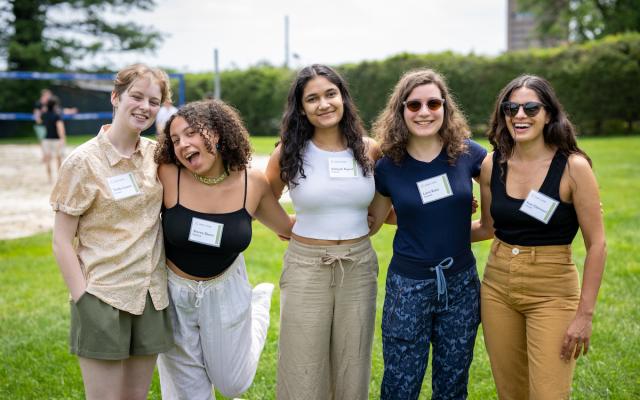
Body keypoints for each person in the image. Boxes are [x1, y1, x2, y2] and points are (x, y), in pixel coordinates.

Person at [473, 75, 606, 399]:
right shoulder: (493, 164)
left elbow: (597, 245)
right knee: (510, 392)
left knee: (549, 393)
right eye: (511, 108)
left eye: (531, 107)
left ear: (548, 113)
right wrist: (423, 228)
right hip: (497, 287)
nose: (520, 115)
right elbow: (487, 228)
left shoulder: (574, 168)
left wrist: (584, 315)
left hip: (552, 290)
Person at [154, 99, 293, 399]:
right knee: (187, 392)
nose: (182, 144)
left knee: (232, 384)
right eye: (175, 139)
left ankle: (256, 309)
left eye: (191, 133)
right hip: (174, 294)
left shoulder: (251, 183)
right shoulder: (167, 174)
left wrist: (344, 218)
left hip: (226, 288)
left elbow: (287, 228)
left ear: (216, 133)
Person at [50, 64, 173, 400]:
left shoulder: (156, 155)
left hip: (151, 296)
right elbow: (61, 241)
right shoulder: (82, 162)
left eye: (153, 100)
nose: (144, 107)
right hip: (103, 296)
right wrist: (83, 298)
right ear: (116, 97)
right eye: (136, 96)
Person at [368, 69, 487, 400]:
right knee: (400, 385)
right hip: (407, 288)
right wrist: (307, 225)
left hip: (462, 285)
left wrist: (573, 203)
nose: (424, 112)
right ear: (401, 110)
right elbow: (374, 221)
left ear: (446, 107)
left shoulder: (470, 154)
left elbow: (513, 187)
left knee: (452, 384)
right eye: (414, 104)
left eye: (434, 103)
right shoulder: (388, 166)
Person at [265, 64, 381, 400]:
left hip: (358, 267)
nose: (324, 104)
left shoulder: (368, 148)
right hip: (307, 267)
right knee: (302, 361)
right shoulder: (289, 151)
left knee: (353, 359)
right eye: (312, 98)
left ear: (343, 97)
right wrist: (284, 226)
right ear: (301, 108)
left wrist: (375, 216)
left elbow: (388, 193)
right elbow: (263, 195)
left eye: (330, 94)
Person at [41, 96, 66, 182]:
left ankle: (49, 178)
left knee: (48, 159)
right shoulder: (57, 115)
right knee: (58, 158)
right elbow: (60, 128)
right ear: (55, 105)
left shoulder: (44, 115)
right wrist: (62, 138)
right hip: (56, 139)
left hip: (46, 139)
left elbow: (39, 121)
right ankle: (59, 178)